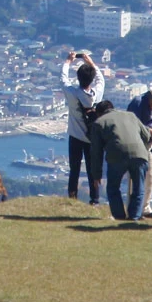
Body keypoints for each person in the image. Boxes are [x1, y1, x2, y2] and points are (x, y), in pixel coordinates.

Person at [88, 100, 152, 222]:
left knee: (113, 187)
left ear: (99, 113)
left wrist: (96, 175)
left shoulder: (99, 123)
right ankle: (134, 216)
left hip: (117, 155)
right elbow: (146, 135)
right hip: (139, 154)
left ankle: (119, 216)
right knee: (139, 187)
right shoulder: (130, 115)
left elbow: (96, 153)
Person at [62, 51, 104, 205]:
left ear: (78, 78)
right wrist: (90, 62)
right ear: (91, 80)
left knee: (75, 169)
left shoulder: (72, 94)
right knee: (93, 170)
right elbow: (100, 78)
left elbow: (63, 79)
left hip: (75, 136)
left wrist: (68, 61)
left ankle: (72, 196)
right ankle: (95, 199)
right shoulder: (97, 94)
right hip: (92, 138)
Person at [126, 87, 152, 218]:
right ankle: (132, 209)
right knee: (135, 178)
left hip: (150, 143)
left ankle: (145, 207)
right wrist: (151, 131)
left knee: (150, 176)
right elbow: (133, 124)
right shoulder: (137, 103)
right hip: (137, 142)